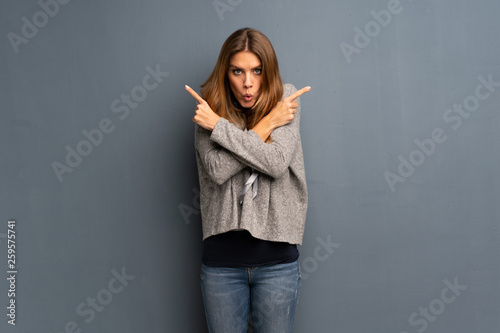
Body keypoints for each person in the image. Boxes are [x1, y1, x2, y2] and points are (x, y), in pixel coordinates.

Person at [185, 27, 310, 333]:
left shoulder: (285, 100)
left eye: (257, 70)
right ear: (225, 72)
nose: (248, 82)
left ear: (268, 71)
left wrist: (221, 130)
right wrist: (264, 125)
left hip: (277, 262)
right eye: (237, 71)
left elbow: (277, 163)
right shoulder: (208, 110)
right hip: (221, 266)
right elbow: (216, 169)